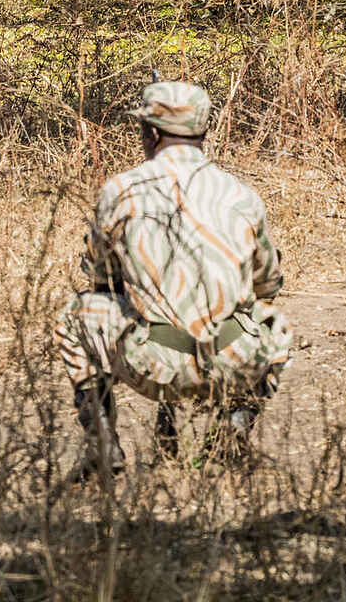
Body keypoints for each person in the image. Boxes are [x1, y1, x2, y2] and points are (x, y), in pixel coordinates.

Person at [56, 81, 292, 479]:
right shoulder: (242, 195)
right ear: (203, 133)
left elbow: (99, 277)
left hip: (154, 362)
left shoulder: (122, 190)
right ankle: (232, 428)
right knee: (274, 323)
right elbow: (268, 285)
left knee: (77, 315)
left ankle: (101, 444)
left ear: (151, 133)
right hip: (230, 358)